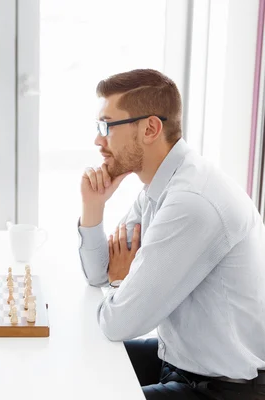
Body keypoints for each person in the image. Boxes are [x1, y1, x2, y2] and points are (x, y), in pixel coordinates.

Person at [78, 69, 265, 399]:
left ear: (150, 128)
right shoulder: (160, 187)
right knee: (80, 355)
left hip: (224, 387)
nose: (98, 140)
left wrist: (122, 281)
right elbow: (99, 274)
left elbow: (118, 323)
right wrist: (94, 208)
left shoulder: (191, 203)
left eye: (106, 126)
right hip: (178, 358)